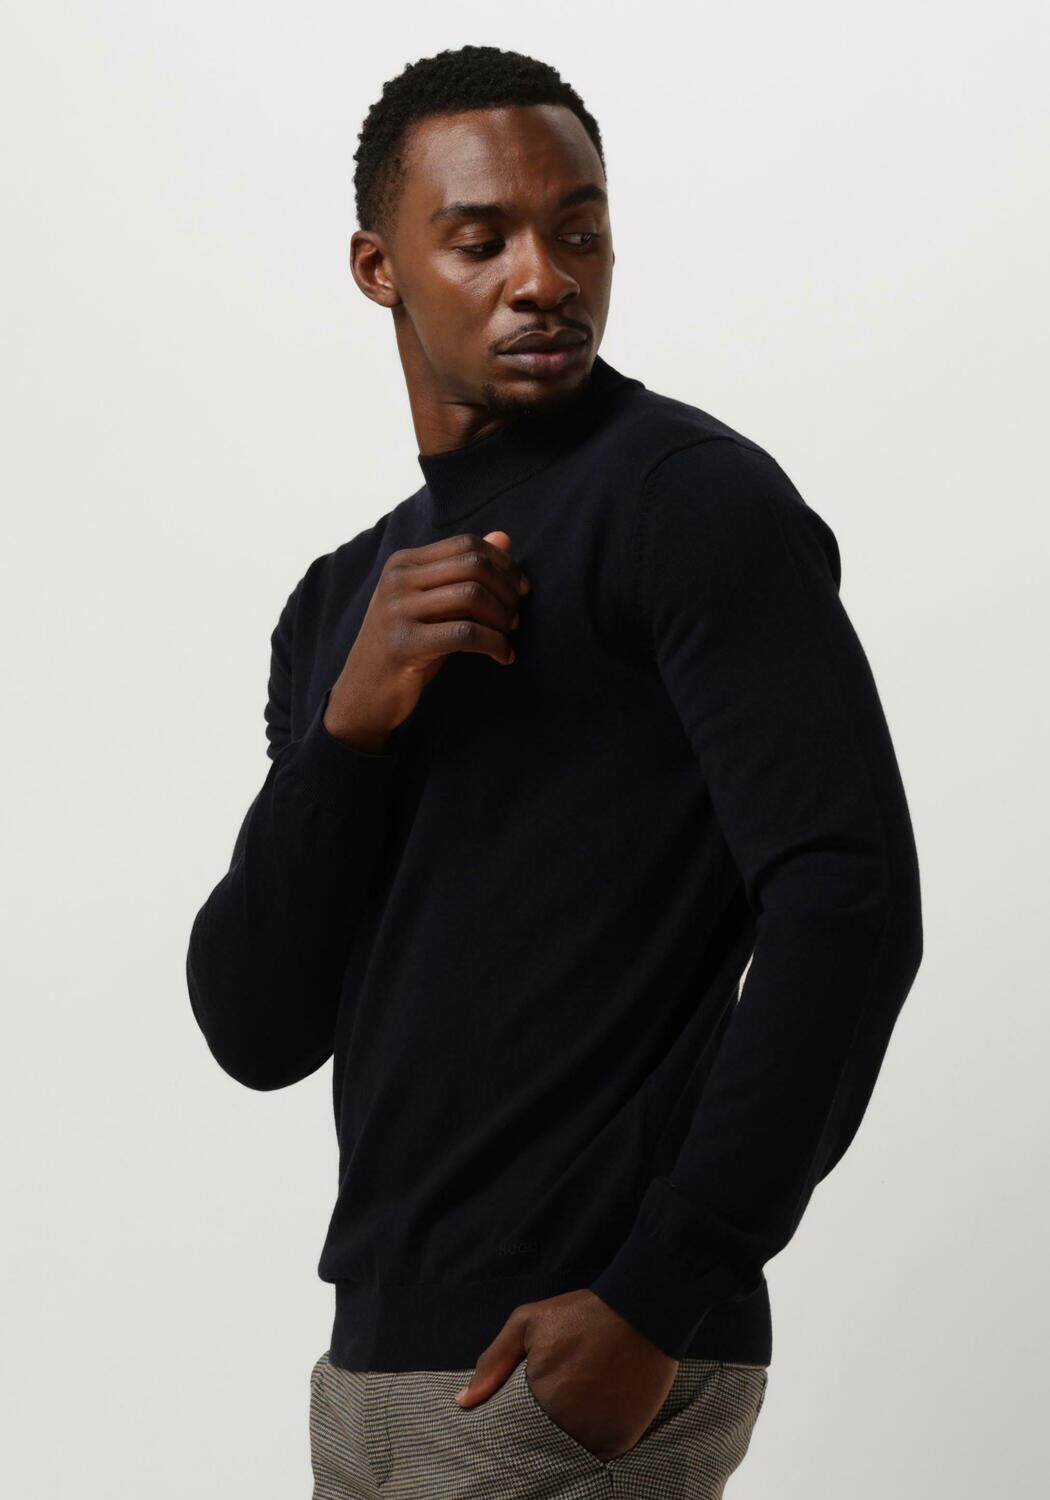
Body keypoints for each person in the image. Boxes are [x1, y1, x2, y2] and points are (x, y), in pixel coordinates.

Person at [185, 43, 923, 1500]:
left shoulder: (686, 501)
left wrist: (664, 1287)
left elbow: (846, 904)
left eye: (578, 232)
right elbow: (257, 1022)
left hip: (578, 1350)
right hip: (376, 1358)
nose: (545, 279)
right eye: (482, 240)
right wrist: (348, 730)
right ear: (379, 268)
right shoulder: (340, 601)